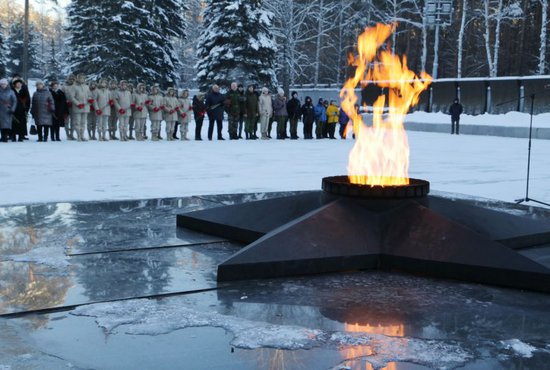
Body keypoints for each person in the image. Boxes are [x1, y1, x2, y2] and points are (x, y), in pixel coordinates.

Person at [71, 74, 92, 141]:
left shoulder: (86, 87)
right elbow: (72, 97)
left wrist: (89, 98)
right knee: (77, 122)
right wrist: (78, 104)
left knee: (83, 122)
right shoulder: (74, 87)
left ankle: (82, 135)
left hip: (86, 107)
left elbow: (89, 95)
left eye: (83, 78)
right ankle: (78, 136)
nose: (82, 79)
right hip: (78, 107)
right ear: (78, 79)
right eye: (80, 78)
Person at [11, 74, 30, 140]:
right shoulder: (12, 90)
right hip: (14, 109)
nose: (19, 84)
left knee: (22, 123)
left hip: (22, 109)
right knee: (14, 123)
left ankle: (21, 136)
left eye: (20, 83)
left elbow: (28, 99)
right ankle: (13, 136)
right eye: (17, 83)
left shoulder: (24, 90)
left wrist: (27, 109)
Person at [63, 74, 76, 140]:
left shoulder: (76, 86)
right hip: (66, 106)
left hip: (74, 106)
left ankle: (72, 134)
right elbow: (61, 96)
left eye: (72, 79)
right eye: (70, 79)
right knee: (66, 121)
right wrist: (65, 101)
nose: (71, 80)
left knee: (73, 121)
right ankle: (67, 135)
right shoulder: (64, 86)